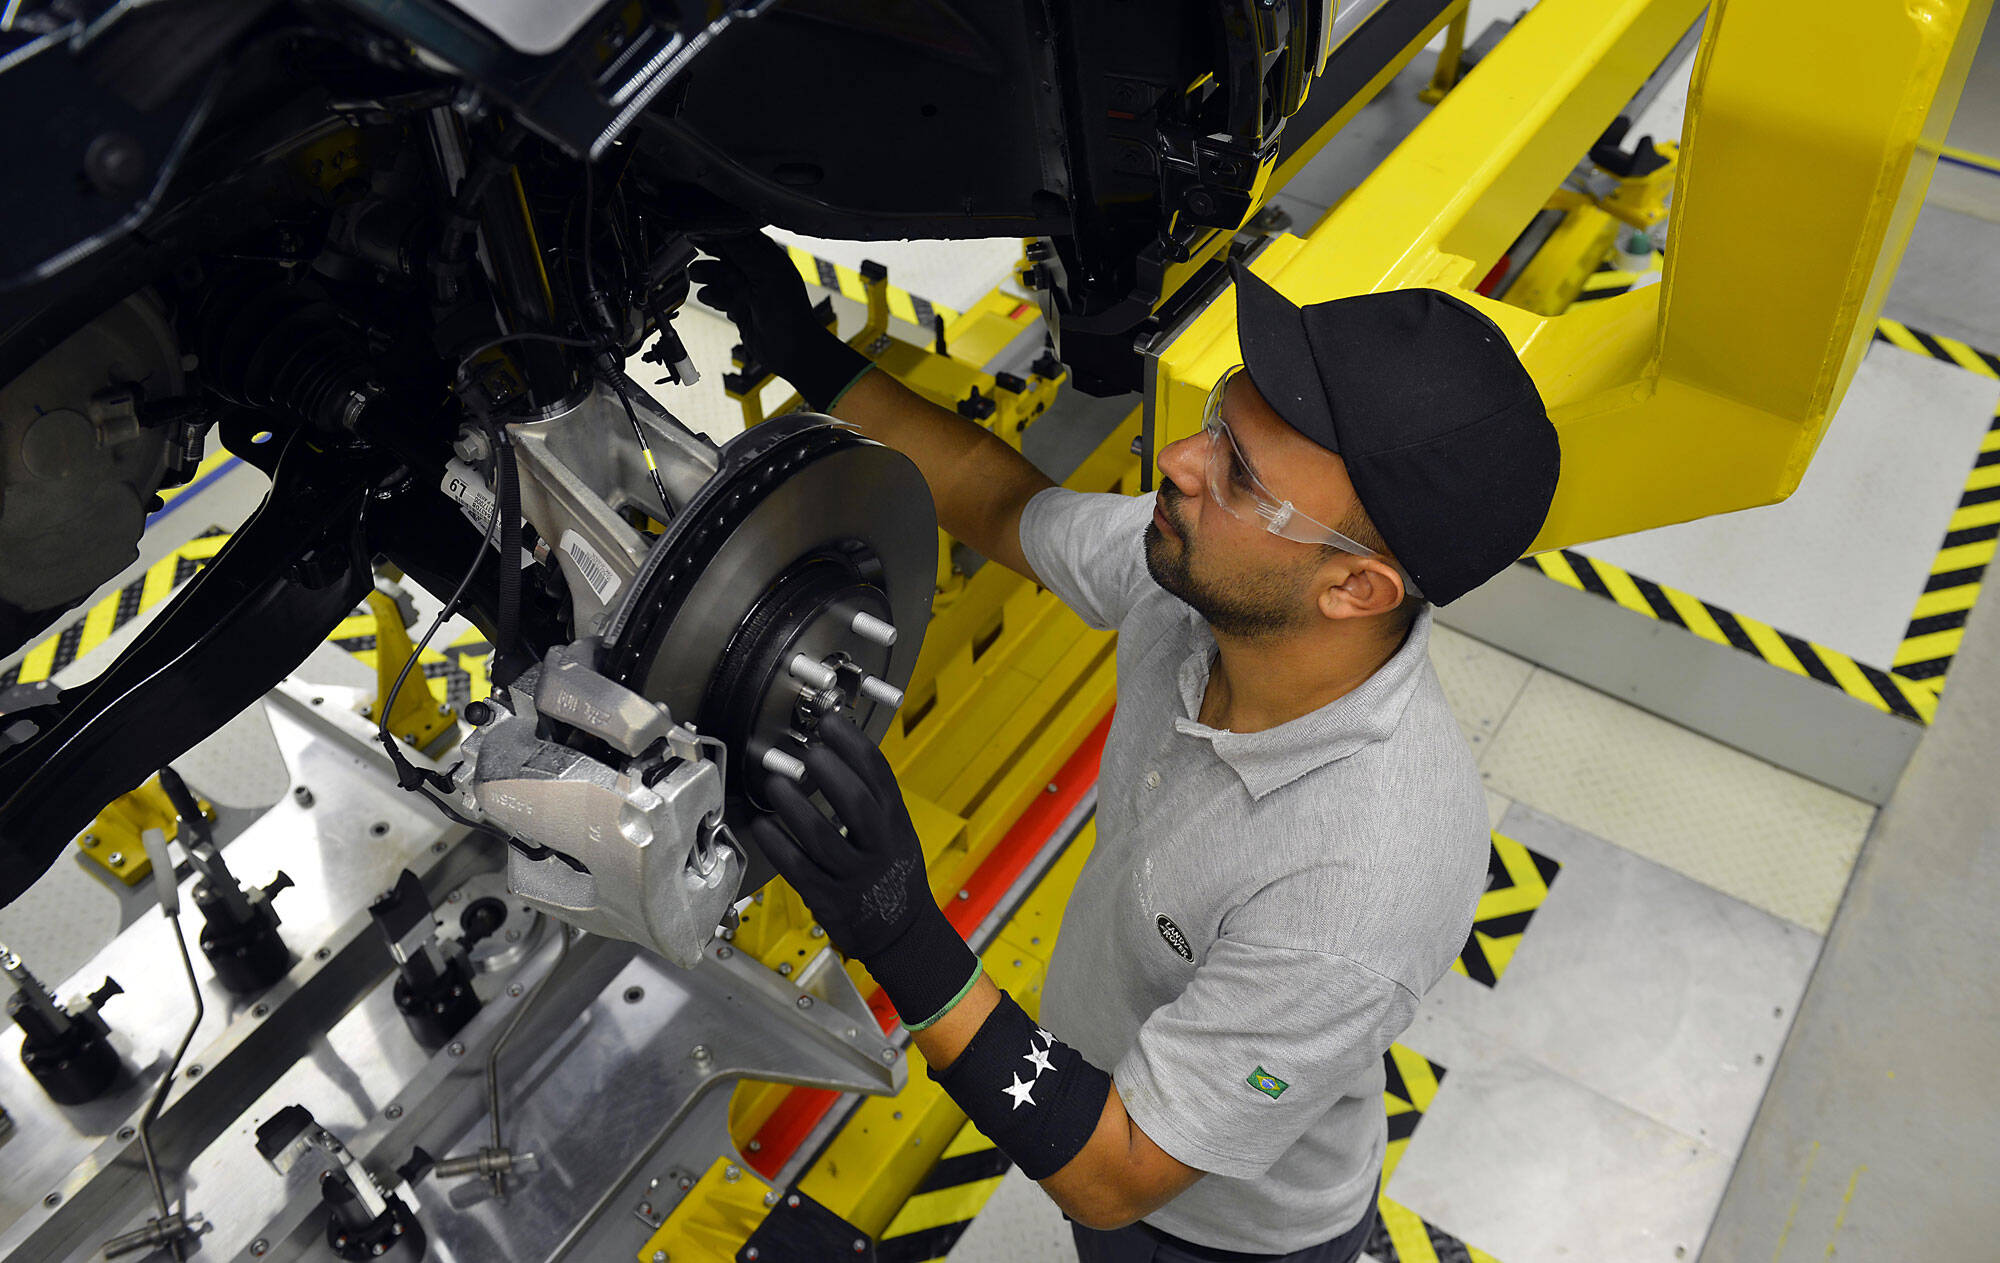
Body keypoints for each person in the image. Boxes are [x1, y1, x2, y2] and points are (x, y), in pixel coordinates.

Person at [690, 233, 1560, 1263]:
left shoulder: (1358, 883)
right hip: (1100, 1094)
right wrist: (813, 354)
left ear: (1352, 588)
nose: (1180, 463)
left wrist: (897, 929)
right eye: (1214, 420)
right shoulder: (1202, 585)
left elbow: (1116, 1177)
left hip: (1212, 1230)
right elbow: (1002, 504)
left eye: (1239, 475)